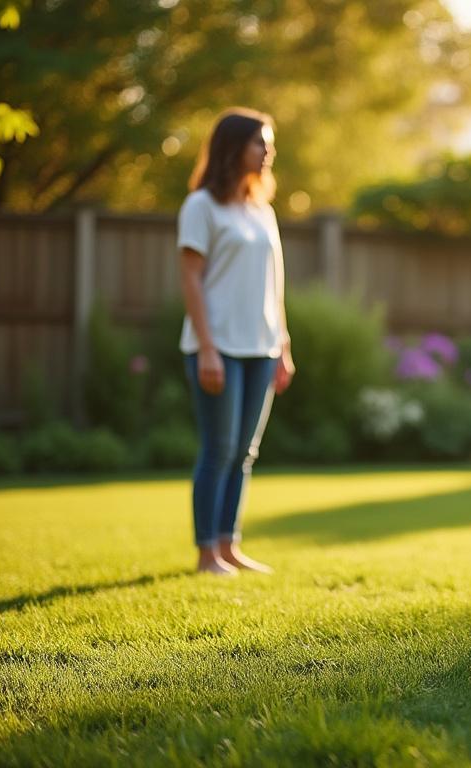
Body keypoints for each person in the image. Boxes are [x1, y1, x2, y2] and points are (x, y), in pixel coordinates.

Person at [177, 107, 294, 576]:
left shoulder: (263, 211)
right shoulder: (200, 206)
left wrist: (283, 347)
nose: (267, 151)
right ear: (232, 148)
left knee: (244, 453)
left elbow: (275, 284)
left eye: (269, 143)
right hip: (218, 348)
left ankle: (229, 546)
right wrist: (206, 347)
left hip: (262, 350)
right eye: (258, 143)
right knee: (218, 449)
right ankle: (207, 553)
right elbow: (190, 279)